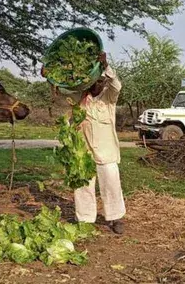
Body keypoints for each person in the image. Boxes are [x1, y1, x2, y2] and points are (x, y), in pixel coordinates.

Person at [42, 52, 126, 234]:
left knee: (111, 183)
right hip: (83, 150)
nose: (99, 84)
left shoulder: (109, 98)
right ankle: (86, 219)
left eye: (101, 81)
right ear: (90, 82)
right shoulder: (79, 97)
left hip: (107, 150)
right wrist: (49, 78)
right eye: (96, 81)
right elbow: (60, 93)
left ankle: (115, 218)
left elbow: (116, 85)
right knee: (83, 184)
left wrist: (106, 66)